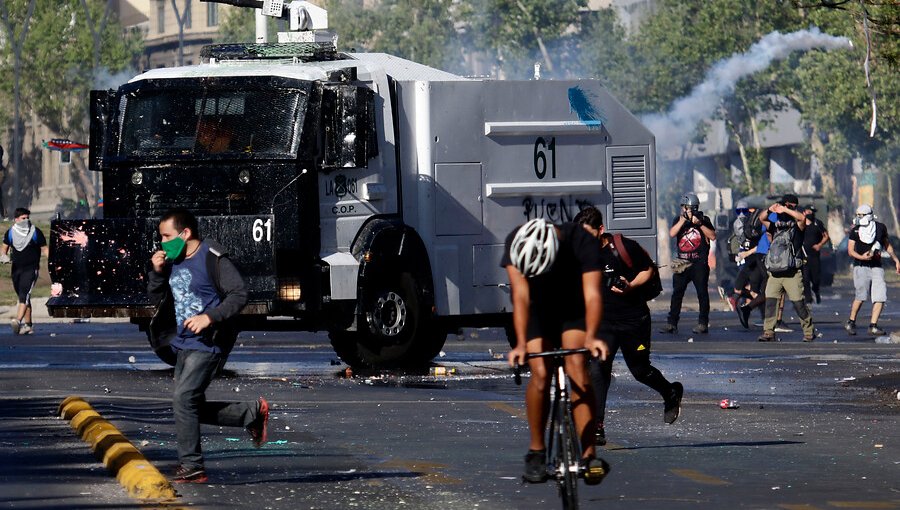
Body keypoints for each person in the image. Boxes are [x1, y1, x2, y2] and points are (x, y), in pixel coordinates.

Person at [148, 208, 269, 483]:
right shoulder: (172, 260)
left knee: (183, 400)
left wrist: (208, 317)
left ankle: (192, 466)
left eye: (167, 236)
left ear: (185, 233)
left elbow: (239, 294)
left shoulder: (212, 257)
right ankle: (252, 412)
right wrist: (156, 272)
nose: (163, 243)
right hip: (183, 343)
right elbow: (156, 297)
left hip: (208, 343)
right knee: (188, 406)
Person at [502, 217, 610, 485]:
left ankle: (588, 454)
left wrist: (593, 337)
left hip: (573, 306)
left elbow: (593, 296)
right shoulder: (516, 241)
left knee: (577, 367)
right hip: (539, 309)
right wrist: (520, 346)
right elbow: (520, 298)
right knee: (540, 372)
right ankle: (537, 451)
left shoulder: (581, 241)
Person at [574, 207, 683, 446]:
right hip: (604, 323)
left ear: (600, 230)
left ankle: (670, 393)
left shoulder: (622, 247)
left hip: (634, 320)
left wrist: (630, 285)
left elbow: (649, 270)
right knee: (598, 370)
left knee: (640, 371)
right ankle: (598, 426)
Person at [758, 194, 815, 342]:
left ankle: (808, 331)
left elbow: (802, 219)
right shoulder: (774, 226)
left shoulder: (797, 226)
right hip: (775, 272)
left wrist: (786, 208)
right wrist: (771, 209)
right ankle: (768, 331)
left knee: (798, 303)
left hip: (792, 273)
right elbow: (762, 218)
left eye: (789, 206)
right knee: (770, 302)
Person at [660, 193, 716, 334]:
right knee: (677, 294)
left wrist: (699, 224)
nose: (687, 211)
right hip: (682, 262)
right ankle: (672, 323)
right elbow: (672, 233)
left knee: (702, 293)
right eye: (686, 208)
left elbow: (712, 236)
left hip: (699, 263)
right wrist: (682, 220)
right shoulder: (677, 220)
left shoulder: (704, 219)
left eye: (690, 208)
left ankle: (703, 323)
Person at [844, 204, 900, 336]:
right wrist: (861, 257)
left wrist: (896, 259)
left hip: (876, 266)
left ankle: (873, 325)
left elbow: (887, 245)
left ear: (868, 216)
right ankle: (851, 321)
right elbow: (850, 251)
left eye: (861, 215)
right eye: (857, 215)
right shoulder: (855, 230)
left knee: (880, 296)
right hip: (860, 266)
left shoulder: (880, 228)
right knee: (861, 295)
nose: (858, 218)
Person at [1, 208, 48, 335]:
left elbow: (45, 249)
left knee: (24, 295)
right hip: (16, 269)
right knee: (24, 296)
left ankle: (17, 320)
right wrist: (3, 256)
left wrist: (52, 262)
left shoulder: (35, 232)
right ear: (16, 220)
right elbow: (4, 248)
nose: (26, 220)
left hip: (31, 269)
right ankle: (28, 325)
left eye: (27, 218)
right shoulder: (10, 233)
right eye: (23, 218)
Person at [801, 205, 830, 304]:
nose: (811, 214)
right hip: (803, 255)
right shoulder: (801, 223)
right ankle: (808, 298)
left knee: (816, 279)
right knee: (805, 278)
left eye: (813, 212)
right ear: (804, 212)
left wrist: (819, 245)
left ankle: (816, 291)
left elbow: (826, 236)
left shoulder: (817, 223)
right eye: (809, 212)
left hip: (814, 256)